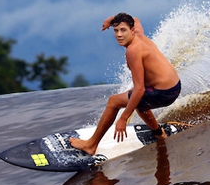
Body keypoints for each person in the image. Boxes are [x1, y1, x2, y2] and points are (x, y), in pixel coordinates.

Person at [69, 13, 181, 155]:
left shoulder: (133, 51)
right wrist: (111, 19)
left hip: (164, 93)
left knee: (114, 101)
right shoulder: (139, 34)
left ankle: (91, 145)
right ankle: (158, 132)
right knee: (137, 100)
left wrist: (123, 118)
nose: (119, 35)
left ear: (132, 30)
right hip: (174, 86)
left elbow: (139, 89)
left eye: (123, 30)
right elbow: (136, 19)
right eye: (116, 31)